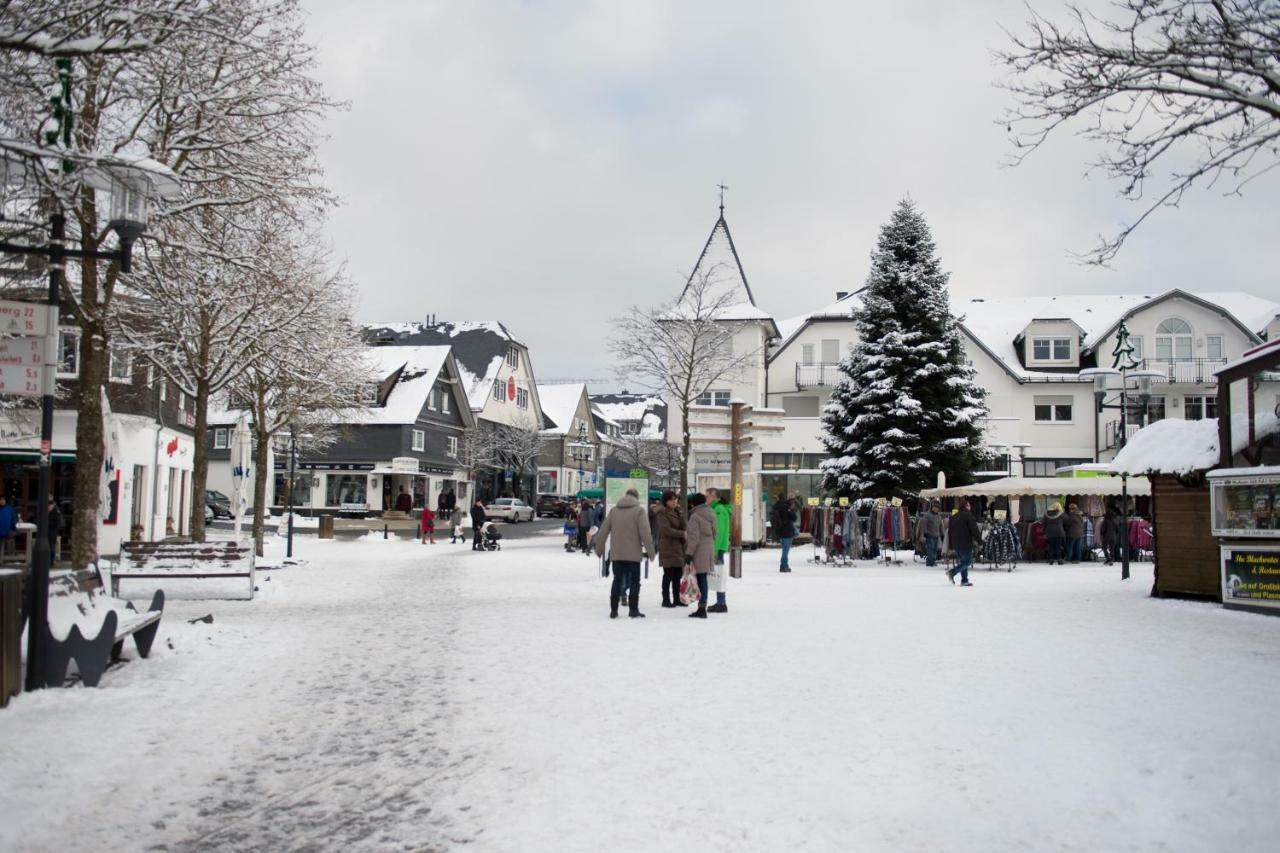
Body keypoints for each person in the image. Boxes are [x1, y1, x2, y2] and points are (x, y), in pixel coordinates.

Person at [595, 488, 655, 619]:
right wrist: (651, 552)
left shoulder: (614, 511)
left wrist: (599, 549)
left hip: (617, 555)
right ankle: (633, 610)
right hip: (634, 556)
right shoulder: (639, 511)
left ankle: (614, 610)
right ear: (637, 498)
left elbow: (603, 531)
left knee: (617, 580)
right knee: (635, 582)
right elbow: (645, 533)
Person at [684, 493, 716, 618]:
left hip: (699, 551)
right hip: (708, 549)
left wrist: (689, 553)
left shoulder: (695, 516)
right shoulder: (711, 513)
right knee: (703, 579)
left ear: (693, 503)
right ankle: (702, 606)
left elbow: (693, 538)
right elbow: (715, 533)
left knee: (701, 579)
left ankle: (702, 609)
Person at [654, 491, 687, 607]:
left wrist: (680, 513)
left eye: (676, 499)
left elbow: (684, 526)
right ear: (666, 501)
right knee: (668, 574)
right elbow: (665, 530)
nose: (674, 501)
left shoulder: (677, 511)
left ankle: (677, 598)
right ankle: (666, 599)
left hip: (678, 548)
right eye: (672, 499)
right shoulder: (662, 513)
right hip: (668, 547)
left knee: (677, 575)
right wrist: (682, 534)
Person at [946, 500, 980, 586]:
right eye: (969, 505)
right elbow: (974, 530)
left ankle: (964, 580)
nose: (970, 507)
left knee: (963, 562)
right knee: (967, 562)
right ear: (965, 506)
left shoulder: (953, 517)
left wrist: (950, 545)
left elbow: (949, 532)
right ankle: (952, 572)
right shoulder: (969, 516)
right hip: (965, 542)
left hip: (956, 543)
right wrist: (980, 541)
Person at [769, 493, 797, 572]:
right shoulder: (786, 507)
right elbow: (794, 518)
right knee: (785, 551)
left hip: (780, 531)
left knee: (784, 549)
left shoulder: (776, 507)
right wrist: (791, 510)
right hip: (788, 531)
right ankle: (783, 566)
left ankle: (786, 565)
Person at [921, 502, 945, 567]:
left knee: (935, 549)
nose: (936, 509)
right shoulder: (927, 515)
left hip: (936, 535)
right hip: (929, 535)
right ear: (932, 507)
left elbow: (941, 525)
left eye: (937, 508)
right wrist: (925, 533)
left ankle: (933, 561)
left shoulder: (938, 516)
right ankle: (929, 562)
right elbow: (924, 525)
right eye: (935, 507)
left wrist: (942, 533)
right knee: (930, 549)